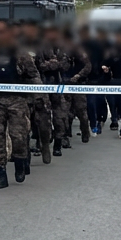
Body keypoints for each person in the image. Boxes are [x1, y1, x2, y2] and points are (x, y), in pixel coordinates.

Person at [0, 21, 42, 187]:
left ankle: (20, 163)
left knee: (19, 137)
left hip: (17, 101)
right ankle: (1, 174)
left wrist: (38, 97)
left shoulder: (20, 53)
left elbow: (34, 76)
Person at [20, 20, 54, 164]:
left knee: (43, 121)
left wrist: (43, 65)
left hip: (39, 87)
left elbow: (53, 61)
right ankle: (24, 154)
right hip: (21, 89)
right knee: (22, 125)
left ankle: (44, 145)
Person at [35, 24, 70, 159]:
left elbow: (65, 65)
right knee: (42, 119)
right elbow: (39, 66)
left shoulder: (62, 49)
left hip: (58, 87)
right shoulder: (40, 48)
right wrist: (54, 64)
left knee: (60, 118)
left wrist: (52, 63)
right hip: (43, 86)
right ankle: (42, 144)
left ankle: (58, 144)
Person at [60, 28, 92, 146]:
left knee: (81, 111)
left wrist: (78, 75)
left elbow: (88, 66)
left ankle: (85, 132)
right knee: (64, 112)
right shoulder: (61, 52)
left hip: (78, 85)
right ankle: (65, 135)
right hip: (65, 85)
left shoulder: (79, 51)